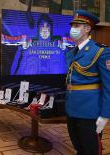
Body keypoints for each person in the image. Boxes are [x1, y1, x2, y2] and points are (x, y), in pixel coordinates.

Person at [66, 9, 110, 155]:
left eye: (77, 26)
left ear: (87, 28)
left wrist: (105, 115)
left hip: (90, 112)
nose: (73, 29)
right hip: (72, 109)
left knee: (91, 150)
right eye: (72, 25)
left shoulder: (100, 52)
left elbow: (108, 86)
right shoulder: (71, 53)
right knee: (79, 148)